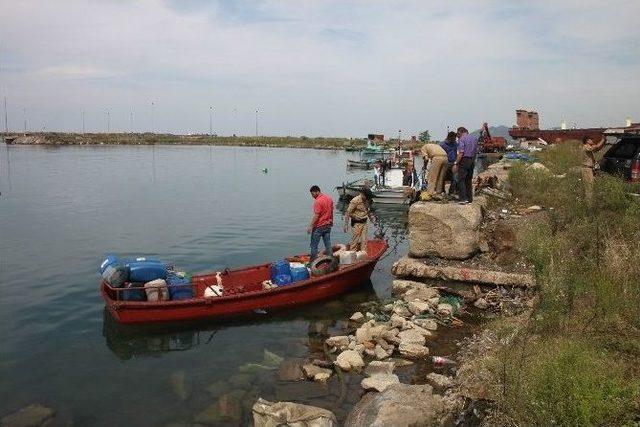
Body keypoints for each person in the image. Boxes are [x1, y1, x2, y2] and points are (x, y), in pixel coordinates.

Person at [343, 187, 375, 252]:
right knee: (355, 240)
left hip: (365, 222)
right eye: (366, 197)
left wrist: (371, 218)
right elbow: (348, 212)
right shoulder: (355, 201)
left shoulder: (367, 200)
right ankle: (352, 254)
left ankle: (363, 253)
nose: (367, 199)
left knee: (364, 240)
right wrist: (346, 225)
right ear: (362, 194)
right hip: (356, 223)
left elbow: (367, 210)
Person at [307, 185, 334, 260]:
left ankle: (312, 262)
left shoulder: (318, 201)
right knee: (328, 244)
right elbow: (331, 212)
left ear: (316, 192)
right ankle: (331, 260)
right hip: (328, 225)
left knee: (314, 245)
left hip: (319, 226)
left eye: (312, 194)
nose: (312, 196)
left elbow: (316, 216)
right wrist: (331, 222)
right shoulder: (329, 199)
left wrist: (311, 226)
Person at [453, 127, 478, 204]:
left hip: (464, 160)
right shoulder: (474, 139)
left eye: (458, 134)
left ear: (460, 132)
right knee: (468, 180)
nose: (458, 136)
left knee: (461, 179)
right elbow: (476, 151)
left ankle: (463, 198)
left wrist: (456, 163)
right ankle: (469, 198)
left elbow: (461, 153)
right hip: (472, 160)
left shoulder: (462, 139)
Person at [582, 135, 605, 203]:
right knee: (589, 186)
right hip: (587, 169)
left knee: (591, 186)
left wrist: (603, 142)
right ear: (587, 141)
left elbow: (597, 149)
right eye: (591, 139)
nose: (592, 140)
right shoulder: (585, 147)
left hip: (590, 169)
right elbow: (596, 147)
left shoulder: (588, 147)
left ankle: (590, 201)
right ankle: (589, 204)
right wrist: (602, 140)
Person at [440, 131, 458, 196]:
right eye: (454, 138)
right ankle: (442, 191)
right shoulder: (442, 145)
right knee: (442, 178)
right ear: (450, 137)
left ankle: (451, 192)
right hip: (445, 164)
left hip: (453, 163)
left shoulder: (455, 143)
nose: (455, 139)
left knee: (455, 178)